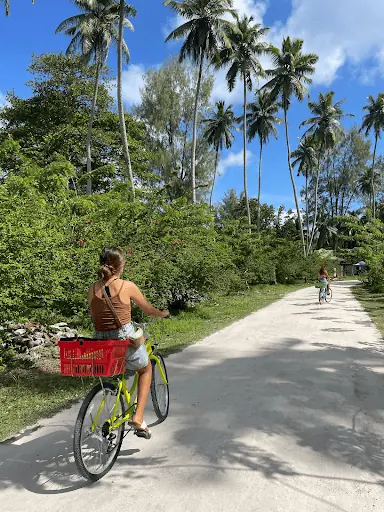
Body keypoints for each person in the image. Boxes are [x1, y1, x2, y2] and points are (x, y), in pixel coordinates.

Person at [88, 246, 169, 439]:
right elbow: (148, 309)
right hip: (122, 340)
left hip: (100, 342)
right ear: (119, 266)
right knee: (146, 368)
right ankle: (138, 417)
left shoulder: (92, 288)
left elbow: (94, 315)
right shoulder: (126, 286)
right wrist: (163, 313)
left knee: (121, 369)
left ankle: (118, 396)